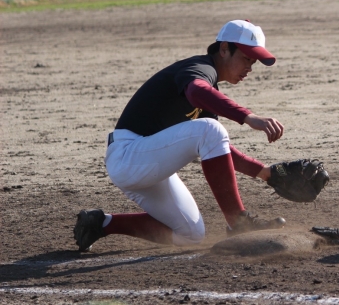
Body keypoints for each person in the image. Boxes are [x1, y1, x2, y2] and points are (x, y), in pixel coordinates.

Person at [74, 20, 288, 252]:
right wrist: (248, 116)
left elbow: (219, 150)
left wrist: (265, 173)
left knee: (190, 234)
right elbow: (196, 92)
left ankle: (100, 224)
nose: (250, 68)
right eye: (246, 58)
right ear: (224, 49)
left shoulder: (209, 87)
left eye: (253, 62)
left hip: (147, 162)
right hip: (128, 155)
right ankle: (239, 223)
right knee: (211, 129)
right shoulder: (200, 68)